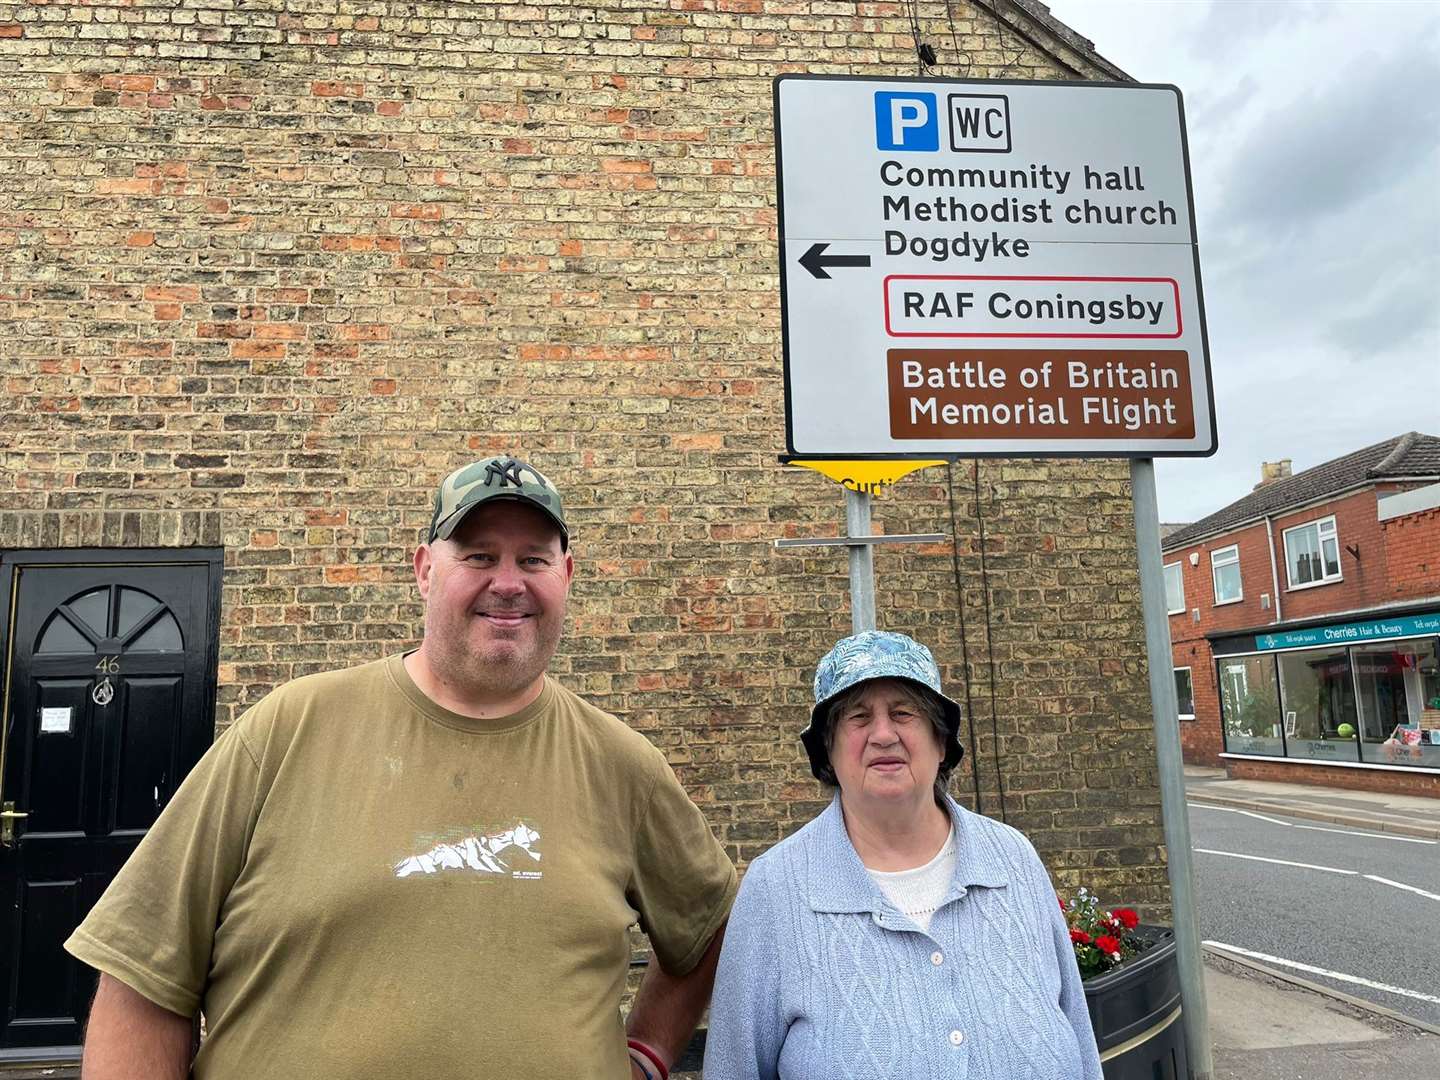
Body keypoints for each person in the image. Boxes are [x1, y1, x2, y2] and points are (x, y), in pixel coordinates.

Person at [66, 454, 736, 1080]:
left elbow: (711, 926)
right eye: (479, 555)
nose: (508, 583)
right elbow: (143, 973)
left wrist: (646, 1054)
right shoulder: (287, 730)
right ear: (424, 570)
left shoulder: (623, 767)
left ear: (567, 577)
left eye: (533, 559)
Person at [704, 630, 1102, 1080]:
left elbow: (1082, 1049)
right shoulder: (776, 889)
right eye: (857, 717)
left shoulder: (1014, 861)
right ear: (829, 752)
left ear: (940, 741)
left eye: (903, 713)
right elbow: (733, 1067)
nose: (882, 734)